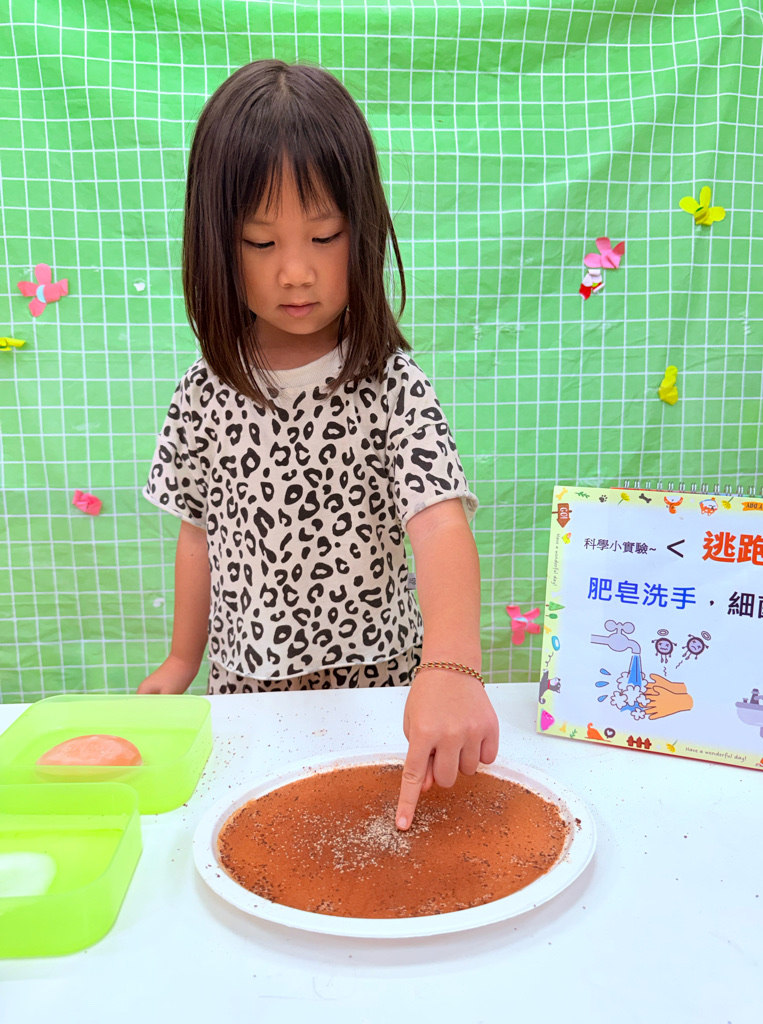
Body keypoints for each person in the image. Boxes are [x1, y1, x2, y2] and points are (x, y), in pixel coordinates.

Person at [138, 59, 498, 830]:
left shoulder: (392, 385)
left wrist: (452, 664)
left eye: (324, 236)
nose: (295, 272)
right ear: (216, 243)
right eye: (260, 241)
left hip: (380, 690)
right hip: (247, 694)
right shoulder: (203, 392)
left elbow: (439, 521)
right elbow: (198, 533)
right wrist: (181, 659)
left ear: (360, 230)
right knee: (256, 847)